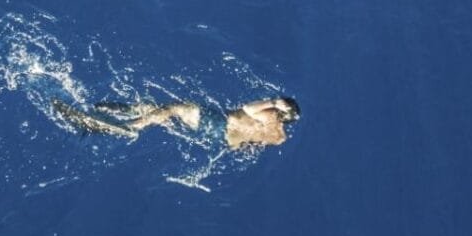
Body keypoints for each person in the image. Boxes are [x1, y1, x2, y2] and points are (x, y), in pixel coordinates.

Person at [51, 95, 300, 150]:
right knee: (161, 110)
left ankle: (130, 127)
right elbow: (247, 147)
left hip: (219, 123)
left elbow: (247, 108)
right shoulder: (279, 137)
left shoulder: (268, 113)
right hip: (221, 138)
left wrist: (273, 101)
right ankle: (115, 110)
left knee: (175, 108)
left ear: (280, 111)